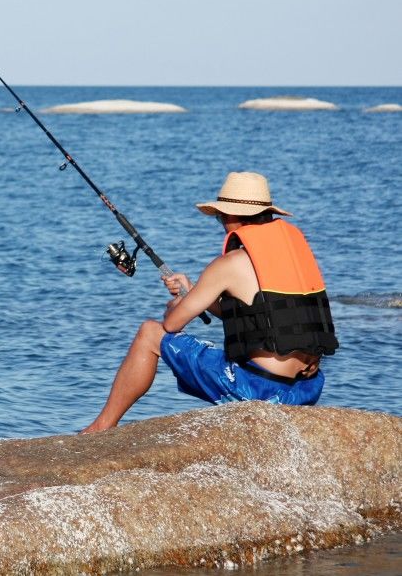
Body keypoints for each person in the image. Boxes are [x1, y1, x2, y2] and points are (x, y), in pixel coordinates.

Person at [81, 171, 338, 434]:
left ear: (230, 217)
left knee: (149, 333)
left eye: (219, 217)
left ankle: (102, 426)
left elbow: (171, 325)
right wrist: (192, 291)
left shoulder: (229, 263)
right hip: (306, 388)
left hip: (260, 389)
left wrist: (178, 305)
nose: (220, 222)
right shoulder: (292, 256)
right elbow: (259, 319)